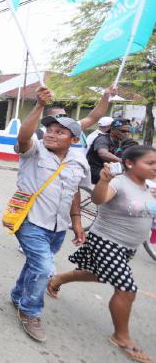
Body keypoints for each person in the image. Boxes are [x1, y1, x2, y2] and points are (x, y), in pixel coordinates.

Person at [48, 146, 156, 363]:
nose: (155, 167)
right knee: (126, 289)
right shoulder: (118, 182)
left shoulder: (148, 187)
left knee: (98, 274)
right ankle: (121, 337)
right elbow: (99, 199)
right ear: (129, 163)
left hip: (128, 246)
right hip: (107, 241)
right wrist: (104, 181)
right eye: (150, 163)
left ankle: (57, 279)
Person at [9, 86, 90, 343]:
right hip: (30, 222)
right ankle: (30, 312)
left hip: (58, 228)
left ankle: (17, 294)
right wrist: (39, 106)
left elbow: (74, 191)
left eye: (60, 132)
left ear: (73, 140)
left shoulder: (78, 160)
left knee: (35, 265)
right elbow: (23, 137)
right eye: (50, 130)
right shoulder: (35, 151)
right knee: (44, 268)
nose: (51, 135)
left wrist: (77, 223)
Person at [87, 118, 131, 184]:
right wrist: (122, 161)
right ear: (112, 129)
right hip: (96, 171)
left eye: (128, 131)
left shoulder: (123, 141)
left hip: (112, 169)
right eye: (123, 131)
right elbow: (103, 153)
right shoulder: (102, 139)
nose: (126, 134)